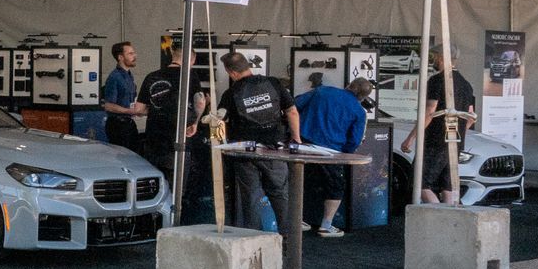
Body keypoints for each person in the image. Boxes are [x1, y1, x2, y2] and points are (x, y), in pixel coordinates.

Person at [219, 50, 302, 232]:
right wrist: (296, 137)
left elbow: (220, 120)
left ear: (231, 72)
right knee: (280, 193)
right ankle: (288, 235)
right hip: (274, 148)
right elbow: (292, 112)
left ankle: (254, 237)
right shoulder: (273, 83)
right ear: (248, 66)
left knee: (250, 197)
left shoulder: (231, 93)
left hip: (245, 152)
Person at [139, 50, 215, 222]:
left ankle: (151, 222)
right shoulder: (189, 76)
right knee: (177, 186)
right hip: (177, 139)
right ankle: (173, 222)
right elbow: (200, 101)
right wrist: (194, 122)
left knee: (154, 184)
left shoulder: (152, 76)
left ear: (172, 57)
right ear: (192, 59)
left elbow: (139, 108)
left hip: (153, 139)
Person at [401, 46, 478, 204]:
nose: (433, 60)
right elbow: (471, 117)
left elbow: (430, 111)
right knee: (447, 186)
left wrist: (411, 138)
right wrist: (459, 131)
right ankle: (449, 222)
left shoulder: (437, 80)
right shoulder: (466, 84)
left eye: (434, 56)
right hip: (456, 142)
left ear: (442, 57)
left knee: (419, 182)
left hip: (435, 140)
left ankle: (439, 217)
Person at [295, 74, 371, 237]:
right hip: (332, 153)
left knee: (300, 182)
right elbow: (354, 140)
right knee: (335, 187)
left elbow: (295, 105)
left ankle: (296, 219)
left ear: (349, 85)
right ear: (363, 97)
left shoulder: (322, 91)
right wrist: (345, 153)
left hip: (304, 145)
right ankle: (326, 225)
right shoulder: (359, 112)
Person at [101, 41, 147, 151]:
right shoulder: (115, 77)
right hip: (118, 125)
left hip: (128, 122)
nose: (134, 56)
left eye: (134, 53)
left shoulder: (129, 76)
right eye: (130, 54)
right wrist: (129, 111)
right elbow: (108, 105)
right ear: (120, 57)